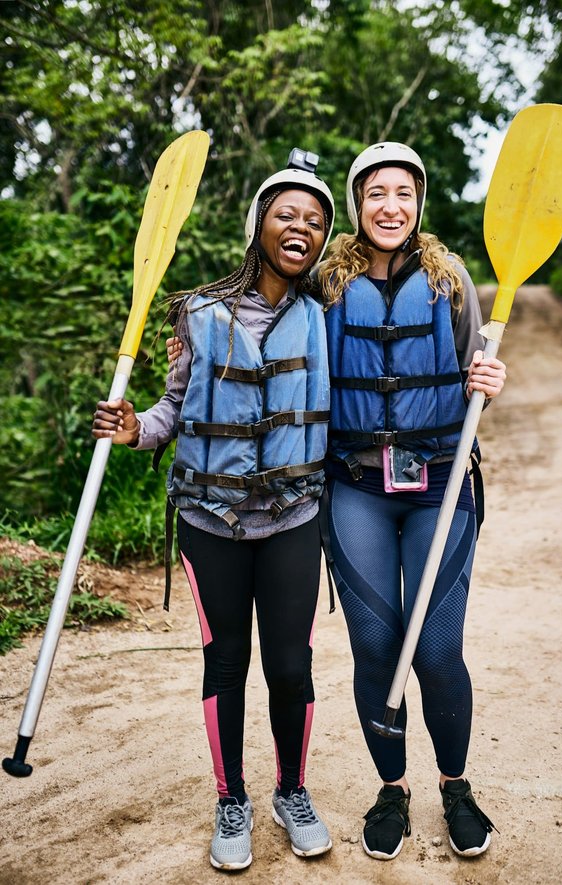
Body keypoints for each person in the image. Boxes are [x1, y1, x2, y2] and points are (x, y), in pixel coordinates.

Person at [92, 149, 335, 871]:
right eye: (287, 212)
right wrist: (138, 429)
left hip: (293, 515)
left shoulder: (325, 316)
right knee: (225, 661)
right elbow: (173, 404)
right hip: (210, 519)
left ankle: (292, 788)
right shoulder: (197, 313)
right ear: (258, 221)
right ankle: (232, 798)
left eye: (316, 221)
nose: (301, 227)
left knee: (290, 666)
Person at [317, 142, 506, 862]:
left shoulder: (448, 276)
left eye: (403, 193)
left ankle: (455, 786)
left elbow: (469, 370)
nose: (390, 205)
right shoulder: (327, 283)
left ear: (419, 202)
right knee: (373, 643)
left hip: (439, 482)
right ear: (358, 203)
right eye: (375, 194)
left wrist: (488, 378)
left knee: (435, 647)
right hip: (357, 484)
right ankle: (391, 787)